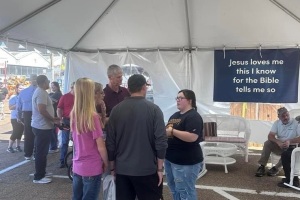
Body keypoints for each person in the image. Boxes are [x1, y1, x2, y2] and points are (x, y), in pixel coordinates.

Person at [106, 74, 168, 200]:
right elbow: (161, 141)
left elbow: (110, 142)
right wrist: (160, 169)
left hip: (122, 169)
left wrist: (112, 167)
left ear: (128, 88)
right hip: (147, 170)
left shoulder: (116, 110)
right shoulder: (154, 110)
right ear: (144, 87)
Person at [71, 78, 108, 200]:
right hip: (92, 166)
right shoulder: (92, 116)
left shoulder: (74, 114)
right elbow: (100, 146)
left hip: (77, 165)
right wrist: (107, 163)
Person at [164, 89, 203, 200]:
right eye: (177, 98)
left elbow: (192, 137)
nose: (178, 100)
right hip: (171, 159)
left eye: (181, 98)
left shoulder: (193, 116)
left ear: (189, 100)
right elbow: (168, 133)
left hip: (186, 161)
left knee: (185, 190)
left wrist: (172, 131)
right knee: (174, 188)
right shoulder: (174, 116)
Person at [31, 75, 60, 184]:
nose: (49, 83)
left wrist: (53, 119)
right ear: (44, 83)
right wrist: (53, 119)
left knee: (42, 151)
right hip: (42, 127)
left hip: (42, 126)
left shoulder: (41, 92)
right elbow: (42, 110)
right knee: (41, 152)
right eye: (48, 81)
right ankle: (38, 176)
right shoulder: (41, 93)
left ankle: (42, 172)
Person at [255, 107, 299, 177]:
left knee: (288, 152)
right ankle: (262, 166)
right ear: (278, 117)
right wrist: (278, 142)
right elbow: (270, 136)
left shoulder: (296, 123)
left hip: (291, 146)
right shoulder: (277, 123)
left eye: (287, 115)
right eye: (283, 116)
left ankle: (276, 168)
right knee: (267, 143)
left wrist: (289, 141)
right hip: (280, 145)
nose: (286, 117)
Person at [17, 74, 37, 160]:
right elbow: (19, 105)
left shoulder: (23, 92)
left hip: (28, 113)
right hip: (34, 113)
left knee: (29, 133)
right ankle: (34, 153)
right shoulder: (40, 91)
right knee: (36, 133)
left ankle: (28, 153)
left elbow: (19, 106)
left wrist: (18, 116)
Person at [57, 82, 75, 168]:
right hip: (66, 120)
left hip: (76, 121)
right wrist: (60, 120)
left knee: (76, 141)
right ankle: (62, 160)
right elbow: (59, 108)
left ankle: (75, 160)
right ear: (72, 87)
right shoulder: (65, 97)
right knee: (64, 142)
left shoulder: (80, 97)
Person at [7, 84, 24, 153]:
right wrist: (18, 104)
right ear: (16, 89)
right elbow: (10, 107)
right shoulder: (13, 97)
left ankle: (17, 146)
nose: (21, 90)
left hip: (22, 116)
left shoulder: (24, 97)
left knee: (20, 132)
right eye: (20, 88)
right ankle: (9, 147)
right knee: (15, 132)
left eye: (23, 88)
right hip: (15, 117)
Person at [49, 81, 62, 153]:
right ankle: (53, 146)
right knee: (53, 131)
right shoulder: (54, 94)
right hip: (53, 114)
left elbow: (50, 102)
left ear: (57, 86)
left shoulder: (58, 94)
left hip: (54, 114)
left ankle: (53, 147)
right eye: (51, 86)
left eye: (53, 86)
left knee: (52, 131)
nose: (52, 87)